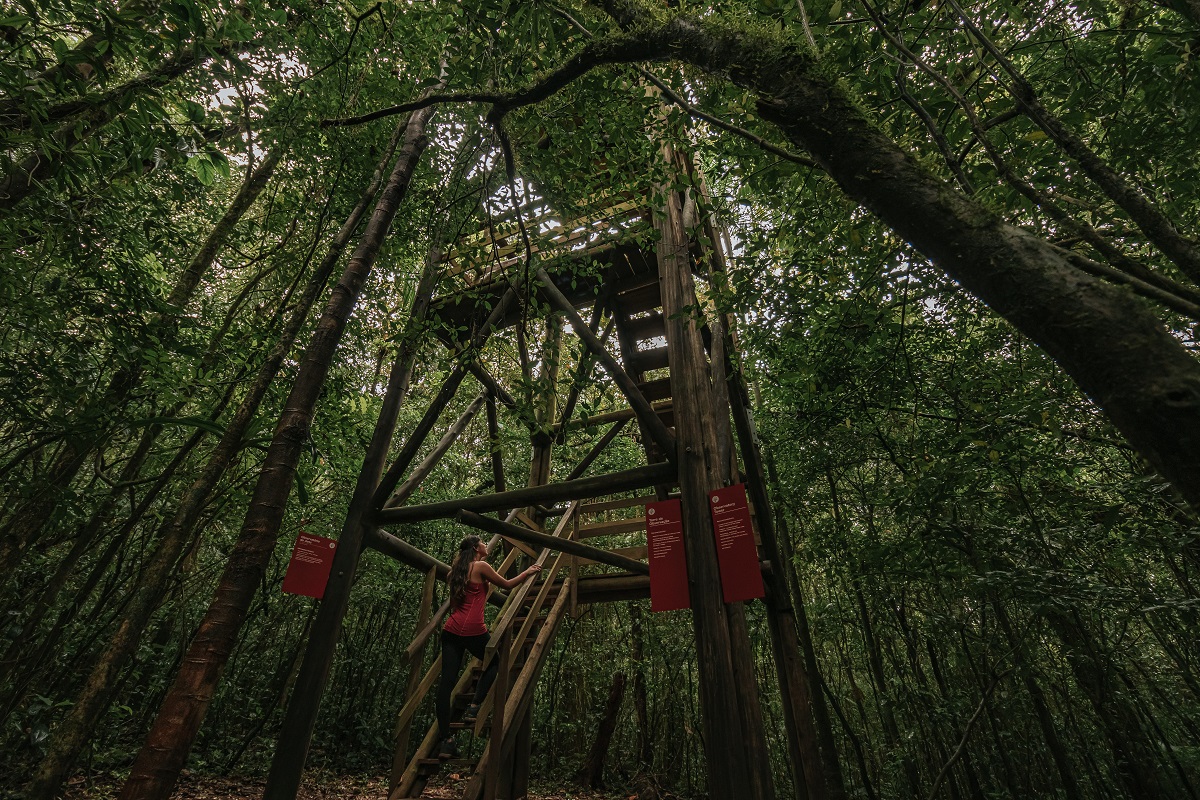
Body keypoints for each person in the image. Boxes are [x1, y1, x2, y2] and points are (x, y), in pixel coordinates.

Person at [436, 534, 542, 759]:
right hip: (474, 630)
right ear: (476, 548)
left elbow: (456, 605)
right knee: (496, 660)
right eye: (483, 542)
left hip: (451, 631)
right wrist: (528, 572)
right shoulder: (481, 566)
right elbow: (506, 584)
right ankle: (474, 706)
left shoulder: (453, 573)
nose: (486, 545)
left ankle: (446, 740)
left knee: (446, 684)